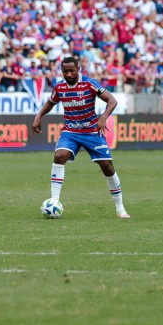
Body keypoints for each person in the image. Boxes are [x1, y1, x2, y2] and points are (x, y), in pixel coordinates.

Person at [31, 57, 130, 219]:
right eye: (65, 71)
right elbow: (50, 103)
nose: (68, 74)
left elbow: (112, 101)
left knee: (107, 167)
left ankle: (120, 208)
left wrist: (103, 117)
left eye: (72, 70)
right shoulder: (60, 87)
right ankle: (54, 201)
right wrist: (38, 116)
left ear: (78, 69)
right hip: (70, 132)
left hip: (92, 132)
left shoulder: (89, 83)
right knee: (59, 155)